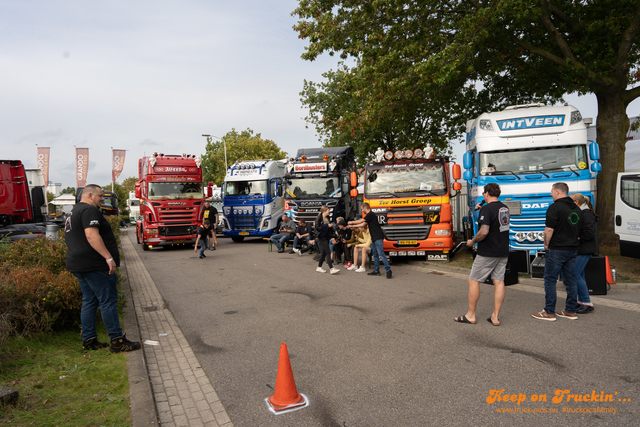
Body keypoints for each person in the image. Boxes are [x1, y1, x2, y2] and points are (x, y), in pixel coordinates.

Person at [65, 184, 141, 353]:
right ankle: (117, 340)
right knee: (107, 301)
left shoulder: (74, 212)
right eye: (100, 196)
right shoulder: (89, 210)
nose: (102, 199)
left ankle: (89, 340)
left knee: (89, 301)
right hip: (95, 265)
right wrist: (108, 257)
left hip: (79, 264)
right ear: (90, 195)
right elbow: (91, 235)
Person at [453, 183, 510, 326]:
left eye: (484, 193)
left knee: (473, 280)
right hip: (502, 250)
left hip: (488, 252)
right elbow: (497, 224)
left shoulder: (487, 208)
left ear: (487, 194)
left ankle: (470, 315)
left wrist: (472, 242)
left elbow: (484, 231)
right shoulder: (504, 208)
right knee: (499, 281)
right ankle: (495, 317)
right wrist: (481, 211)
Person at [532, 182, 583, 322]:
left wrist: (546, 245)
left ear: (558, 192)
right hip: (572, 249)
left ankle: (549, 312)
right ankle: (571, 311)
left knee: (550, 280)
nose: (550, 194)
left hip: (557, 249)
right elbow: (580, 232)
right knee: (571, 280)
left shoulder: (554, 207)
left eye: (552, 191)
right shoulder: (577, 209)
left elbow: (549, 229)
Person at [348, 203, 392, 278]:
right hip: (374, 237)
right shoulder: (369, 217)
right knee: (375, 254)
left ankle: (388, 270)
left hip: (378, 237)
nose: (362, 210)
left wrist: (351, 222)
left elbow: (360, 221)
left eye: (362, 209)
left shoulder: (370, 214)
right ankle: (376, 270)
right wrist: (352, 226)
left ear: (365, 208)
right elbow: (362, 224)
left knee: (381, 254)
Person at [570, 193, 598, 314]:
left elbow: (590, 233)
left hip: (584, 250)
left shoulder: (586, 215)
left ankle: (587, 302)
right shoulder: (582, 213)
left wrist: (577, 238)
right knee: (579, 275)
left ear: (576, 202)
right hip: (581, 249)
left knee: (575, 274)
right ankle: (582, 301)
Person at [315, 206, 339, 274]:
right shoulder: (319, 218)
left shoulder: (328, 217)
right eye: (328, 210)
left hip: (327, 236)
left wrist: (333, 232)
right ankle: (331, 268)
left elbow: (329, 226)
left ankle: (319, 267)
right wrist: (327, 226)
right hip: (322, 237)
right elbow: (317, 227)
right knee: (328, 252)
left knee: (324, 252)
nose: (329, 212)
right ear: (325, 211)